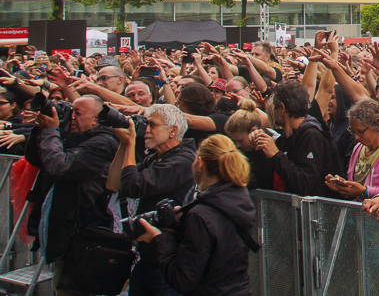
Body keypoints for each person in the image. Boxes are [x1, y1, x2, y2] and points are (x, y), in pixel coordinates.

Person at [136, 134, 257, 296]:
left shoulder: (201, 215)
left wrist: (160, 238)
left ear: (199, 163)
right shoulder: (237, 201)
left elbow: (182, 279)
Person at [25, 95, 121, 296]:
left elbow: (58, 166)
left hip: (83, 237)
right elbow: (35, 158)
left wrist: (51, 131)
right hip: (65, 234)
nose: (71, 116)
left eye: (77, 113)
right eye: (70, 110)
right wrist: (43, 128)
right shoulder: (71, 135)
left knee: (71, 289)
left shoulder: (102, 142)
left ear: (96, 119)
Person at [107, 104, 196, 296]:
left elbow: (133, 186)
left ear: (173, 130)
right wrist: (123, 144)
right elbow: (114, 183)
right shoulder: (157, 158)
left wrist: (131, 143)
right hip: (149, 255)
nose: (145, 130)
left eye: (152, 125)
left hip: (168, 259)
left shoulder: (183, 160)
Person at [251, 80, 339, 196]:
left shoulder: (311, 135)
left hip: (314, 212)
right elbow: (267, 181)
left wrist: (276, 155)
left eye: (274, 108)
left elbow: (305, 184)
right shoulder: (285, 138)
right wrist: (259, 151)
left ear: (281, 108)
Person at [324, 98, 379, 200]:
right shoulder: (358, 148)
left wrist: (365, 191)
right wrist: (345, 187)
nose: (356, 137)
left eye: (360, 132)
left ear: (375, 125)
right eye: (353, 131)